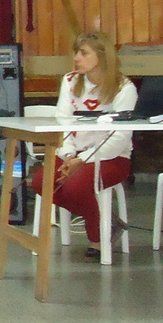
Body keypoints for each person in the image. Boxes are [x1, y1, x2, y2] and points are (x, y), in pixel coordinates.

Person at [29, 31, 136, 259]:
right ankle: (106, 223)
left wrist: (84, 159)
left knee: (75, 186)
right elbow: (63, 123)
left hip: (111, 158)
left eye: (83, 53)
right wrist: (68, 154)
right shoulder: (70, 81)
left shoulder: (124, 88)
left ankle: (98, 236)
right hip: (73, 153)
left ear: (102, 55)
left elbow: (119, 138)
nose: (76, 58)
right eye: (76, 52)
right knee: (41, 182)